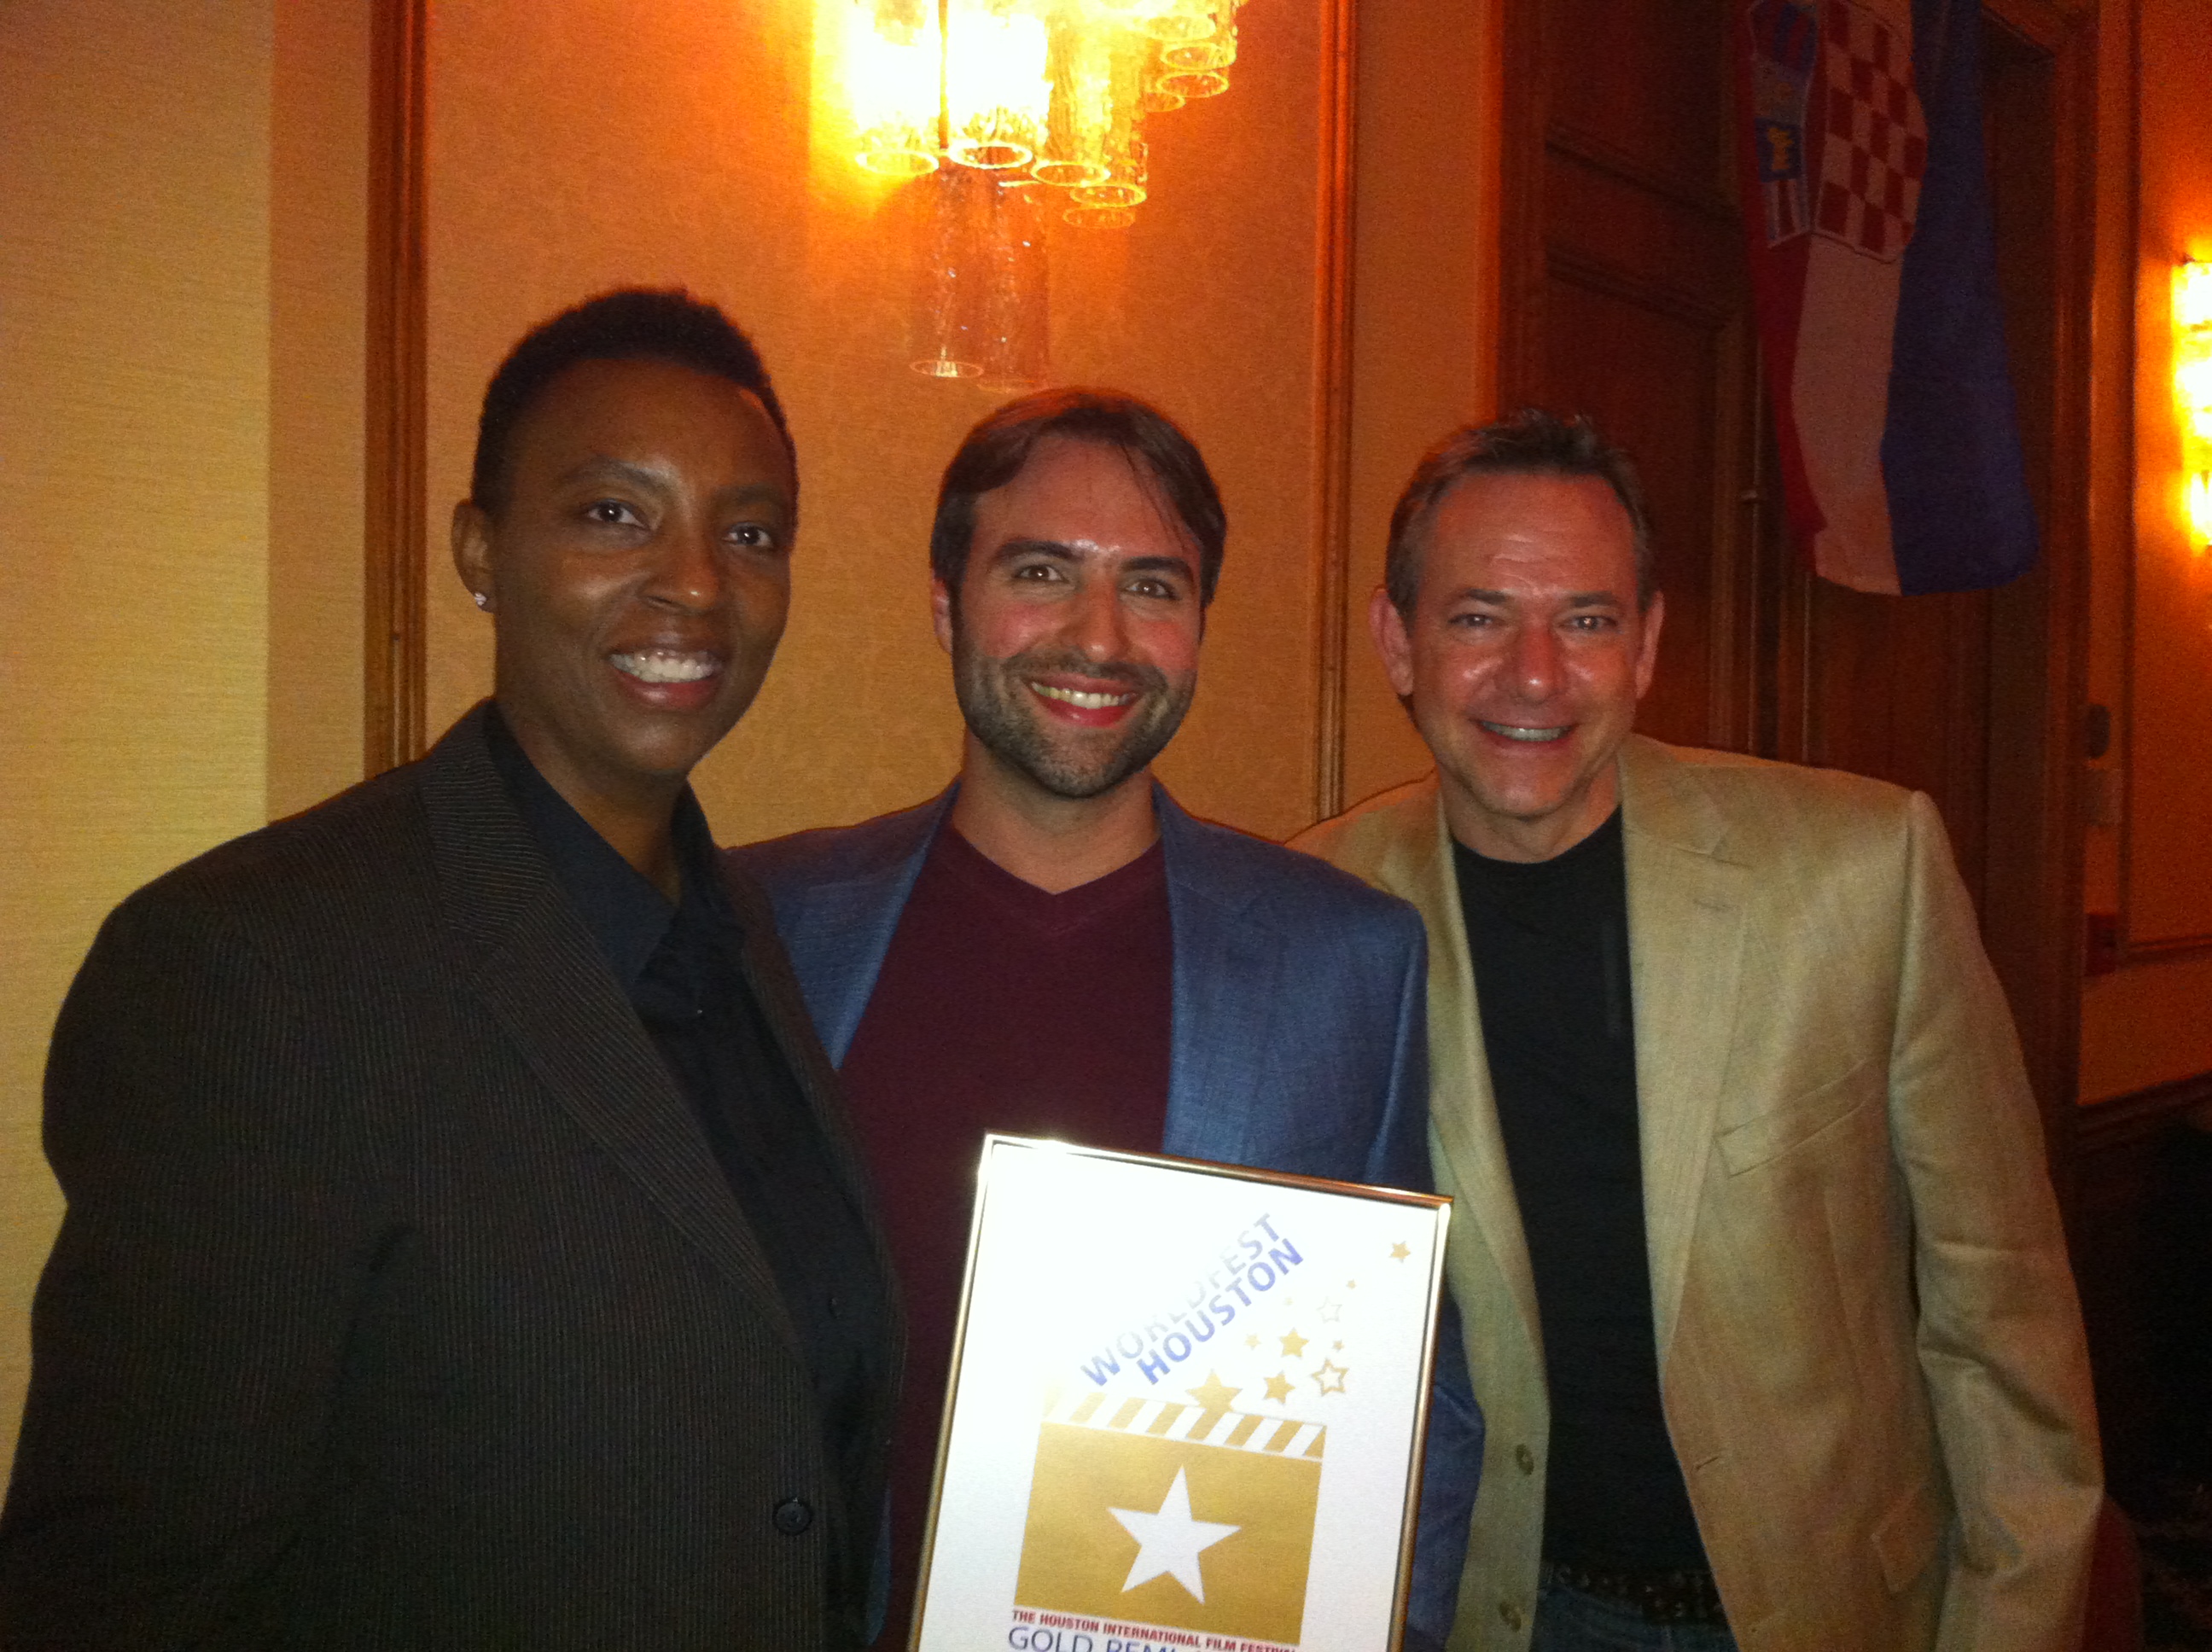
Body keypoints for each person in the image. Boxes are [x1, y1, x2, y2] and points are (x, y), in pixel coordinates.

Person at [0, 289, 900, 1649]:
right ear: (482, 549)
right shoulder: (257, 970)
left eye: (752, 531)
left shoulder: (757, 935)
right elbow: (125, 1592)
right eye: (614, 513)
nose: (699, 582)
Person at [1292, 410, 2102, 1652]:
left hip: (1833, 1613)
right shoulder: (1318, 920)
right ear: (1397, 643)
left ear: (1649, 644)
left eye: (1588, 619)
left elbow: (2003, 1322)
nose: (1536, 672)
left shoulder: (1864, 870)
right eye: (1477, 617)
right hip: (1500, 1617)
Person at [731, 387, 1480, 1649]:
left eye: (1154, 586)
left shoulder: (1348, 961)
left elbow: (1415, 1403)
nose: (1099, 636)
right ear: (942, 603)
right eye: (1040, 571)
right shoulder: (770, 928)